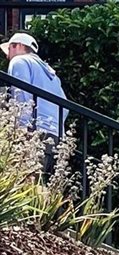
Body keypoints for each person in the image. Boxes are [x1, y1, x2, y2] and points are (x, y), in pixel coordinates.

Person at [1, 31, 68, 175]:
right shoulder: (52, 75)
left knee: (22, 178)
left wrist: (20, 129)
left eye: (9, 49)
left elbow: (21, 95)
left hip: (33, 131)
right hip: (54, 133)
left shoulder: (20, 61)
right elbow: (65, 106)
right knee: (35, 180)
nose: (7, 56)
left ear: (19, 45)